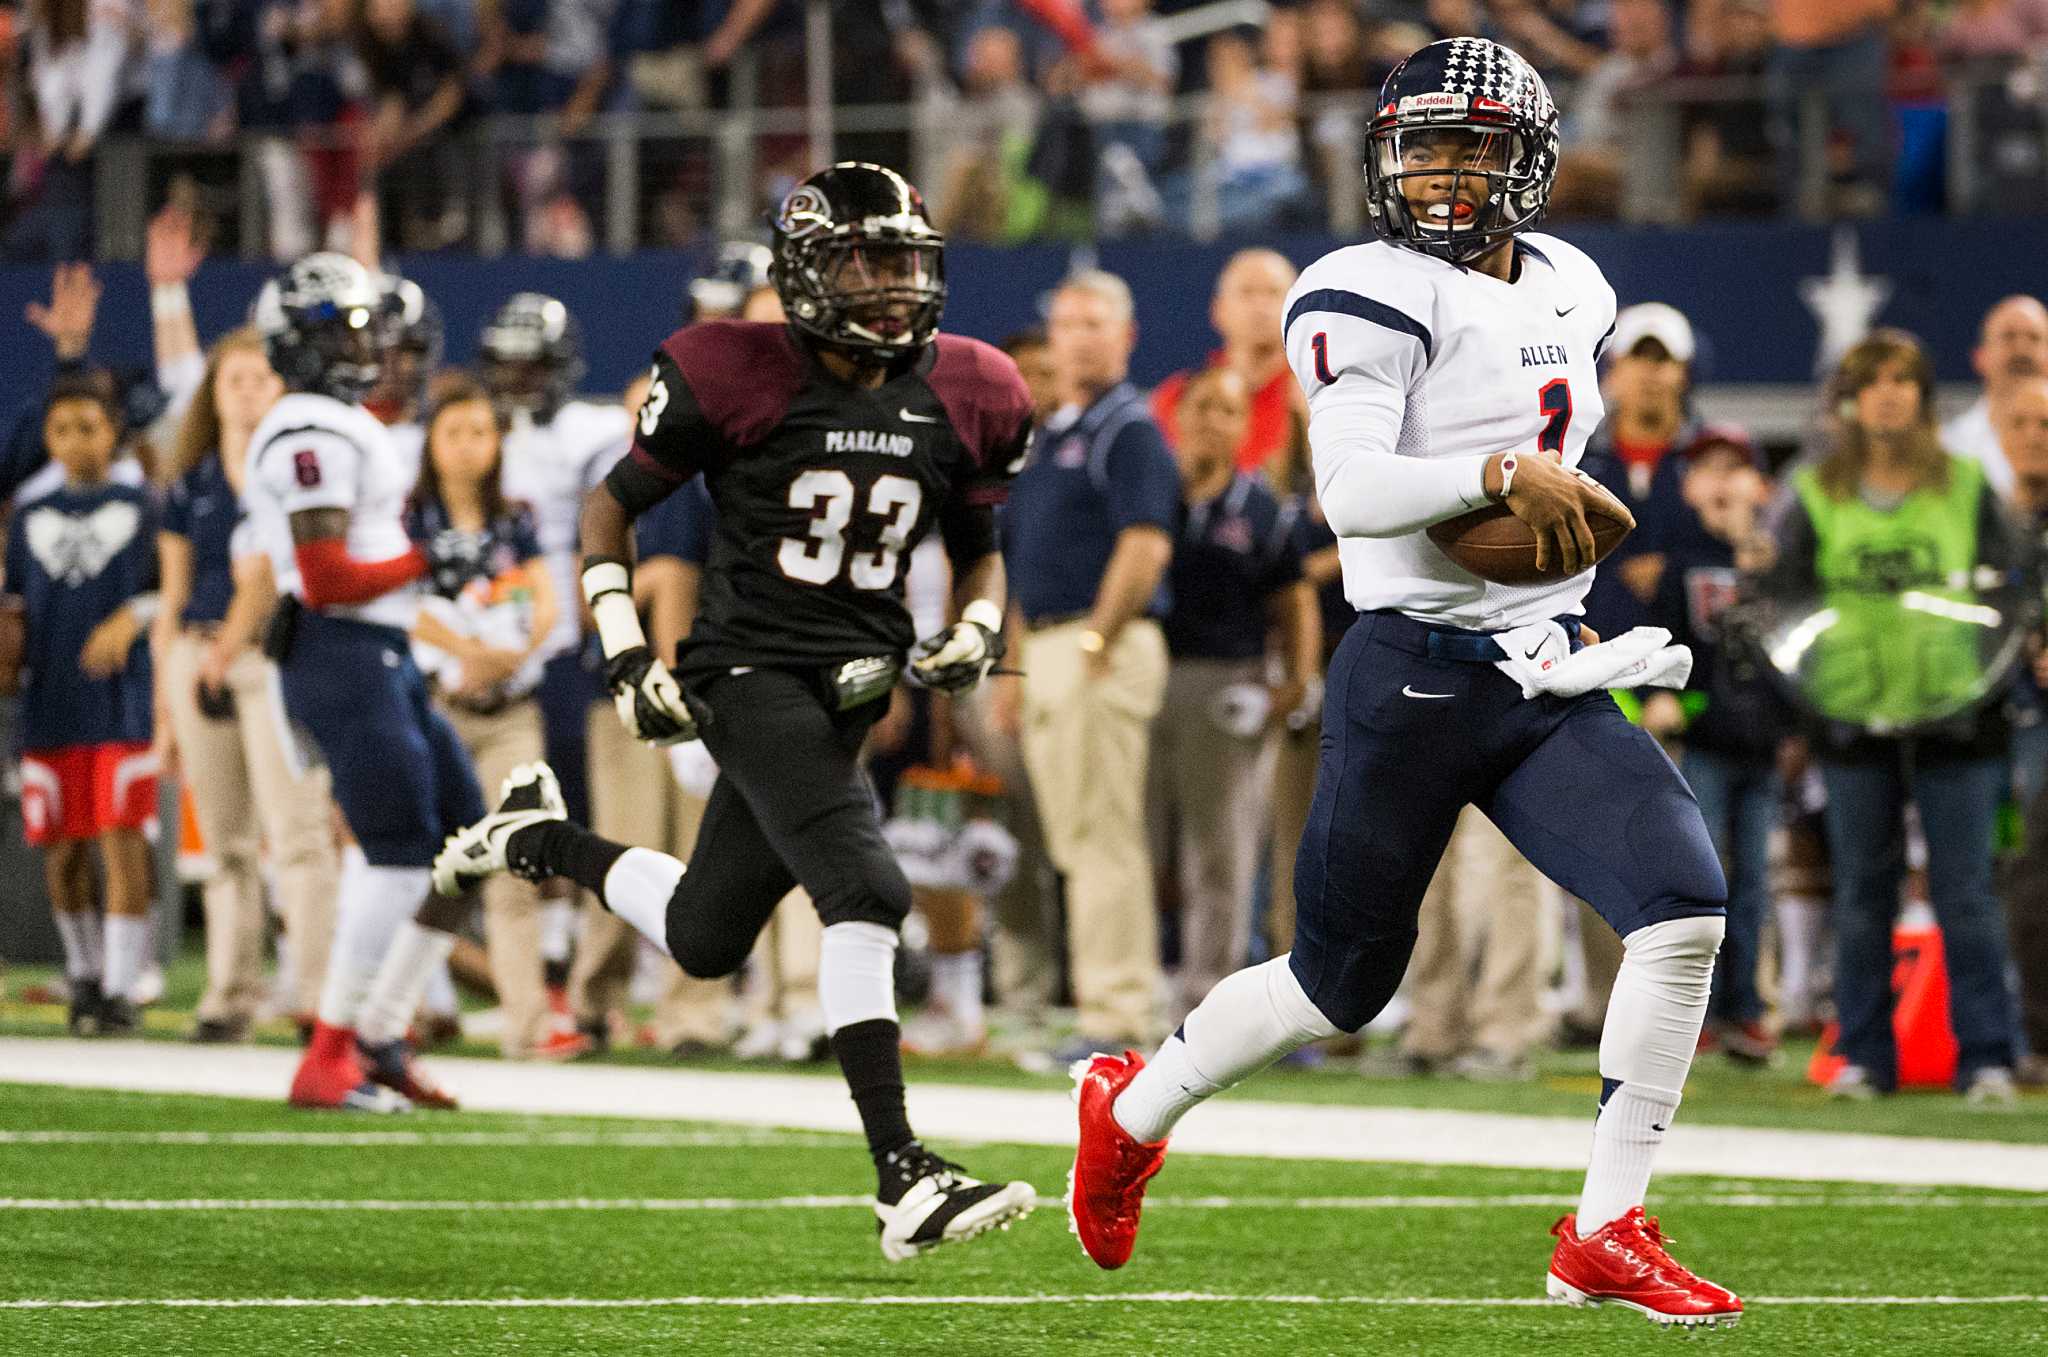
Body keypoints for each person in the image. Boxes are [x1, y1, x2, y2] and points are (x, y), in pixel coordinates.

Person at [1069, 39, 1744, 1329]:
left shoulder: (1572, 283)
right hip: (1413, 668)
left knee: (1682, 905)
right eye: (1420, 144)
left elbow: (1558, 475)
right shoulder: (1357, 290)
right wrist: (1495, 480)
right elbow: (1353, 491)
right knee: (1339, 985)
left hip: (1541, 665)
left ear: (1526, 161)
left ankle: (1603, 1226)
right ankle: (1129, 1110)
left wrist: (1542, 527)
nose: (1440, 172)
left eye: (1471, 145)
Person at [433, 163, 1038, 1258]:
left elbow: (979, 552)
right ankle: (901, 1172)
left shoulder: (972, 385)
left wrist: (981, 633)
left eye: (906, 259)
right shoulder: (730, 369)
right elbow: (608, 512)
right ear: (804, 274)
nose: (894, 284)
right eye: (866, 260)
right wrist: (624, 652)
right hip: (745, 671)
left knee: (705, 935)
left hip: (855, 682)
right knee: (866, 887)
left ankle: (535, 834)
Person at [1760, 329, 2026, 1107]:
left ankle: (1987, 1056)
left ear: (1921, 395)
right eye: (1872, 379)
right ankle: (1866, 1055)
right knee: (1862, 890)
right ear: (1848, 397)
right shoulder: (1810, 490)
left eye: (1903, 379)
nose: (1888, 393)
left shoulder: (1970, 484)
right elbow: (1781, 597)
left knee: (1967, 890)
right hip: (1849, 716)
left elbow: (2011, 589)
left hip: (1960, 714)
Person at [245, 252, 483, 1113]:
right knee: (394, 846)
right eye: (346, 326)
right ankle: (330, 1050)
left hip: (378, 652)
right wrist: (429, 558)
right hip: (340, 650)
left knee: (472, 840)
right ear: (301, 344)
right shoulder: (309, 425)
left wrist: (430, 568)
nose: (367, 341)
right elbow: (323, 574)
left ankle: (381, 1032)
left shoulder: (340, 420)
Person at [1003, 268, 1181, 1058]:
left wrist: (1095, 639)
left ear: (1125, 336)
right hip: (1051, 646)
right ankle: (1101, 1005)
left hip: (1094, 645)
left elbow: (1146, 542)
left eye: (1094, 322)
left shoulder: (1127, 428)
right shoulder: (1054, 431)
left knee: (1104, 835)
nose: (1078, 336)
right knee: (1076, 838)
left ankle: (1115, 1012)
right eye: (1067, 322)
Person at [155, 327, 341, 1044]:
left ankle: (320, 998)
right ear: (212, 392)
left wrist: (229, 643)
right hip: (195, 656)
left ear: (284, 390)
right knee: (223, 842)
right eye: (234, 380)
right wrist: (166, 709)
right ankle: (229, 993)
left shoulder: (302, 471)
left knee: (297, 831)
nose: (248, 392)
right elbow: (171, 598)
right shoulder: (190, 482)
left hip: (275, 655)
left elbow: (271, 575)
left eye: (262, 379)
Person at [406, 376, 588, 1062]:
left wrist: (509, 653)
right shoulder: (409, 518)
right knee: (424, 863)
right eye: (454, 432)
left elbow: (546, 602)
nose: (467, 446)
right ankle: (407, 1010)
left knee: (518, 859)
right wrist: (466, 651)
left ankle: (528, 1022)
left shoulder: (515, 516)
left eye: (481, 431)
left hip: (509, 710)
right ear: (431, 441)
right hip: (435, 707)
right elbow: (401, 604)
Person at [1150, 366, 1317, 1018]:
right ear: (1179, 415)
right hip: (1147, 674)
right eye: (1202, 407)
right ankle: (1134, 988)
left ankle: (1204, 995)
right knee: (1143, 845)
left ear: (1246, 426)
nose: (1212, 421)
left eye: (1228, 410)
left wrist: (1296, 681)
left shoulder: (1260, 507)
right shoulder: (1152, 491)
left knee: (1220, 849)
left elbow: (1295, 597)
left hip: (1227, 678)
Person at [479, 291, 632, 1001]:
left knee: (574, 803)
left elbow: (604, 528)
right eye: (507, 366)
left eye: (531, 365)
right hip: (497, 642)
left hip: (569, 639)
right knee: (513, 804)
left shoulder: (591, 430)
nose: (519, 380)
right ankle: (532, 964)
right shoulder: (481, 433)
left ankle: (566, 959)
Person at [1, 370, 160, 1037]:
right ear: (47, 437)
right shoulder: (28, 519)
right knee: (61, 851)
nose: (75, 441)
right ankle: (86, 971)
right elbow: (14, 608)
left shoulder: (144, 505)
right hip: (49, 702)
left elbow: (169, 587)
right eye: (61, 429)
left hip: (122, 702)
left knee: (120, 840)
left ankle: (122, 986)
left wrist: (134, 617)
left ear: (113, 432)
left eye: (88, 427)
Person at [1639, 424, 1792, 1065]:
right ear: (1691, 487)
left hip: (1762, 744)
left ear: (1760, 486)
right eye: (1711, 470)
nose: (1724, 483)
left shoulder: (1776, 561)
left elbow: (1795, 646)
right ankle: (1693, 1011)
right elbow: (1666, 638)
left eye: (1737, 469)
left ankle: (1747, 1010)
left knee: (1754, 880)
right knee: (1705, 881)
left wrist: (1755, 560)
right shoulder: (1681, 559)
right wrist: (1659, 696)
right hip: (1706, 741)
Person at [1150, 249, 1305, 481]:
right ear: (1218, 310)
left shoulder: (1316, 397)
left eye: (1274, 293)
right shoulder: (1176, 398)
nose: (1260, 306)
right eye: (1247, 292)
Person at [1940, 294, 2048, 503]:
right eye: (2008, 336)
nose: (2021, 350)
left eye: (2034, 338)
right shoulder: (1951, 449)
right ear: (1980, 357)